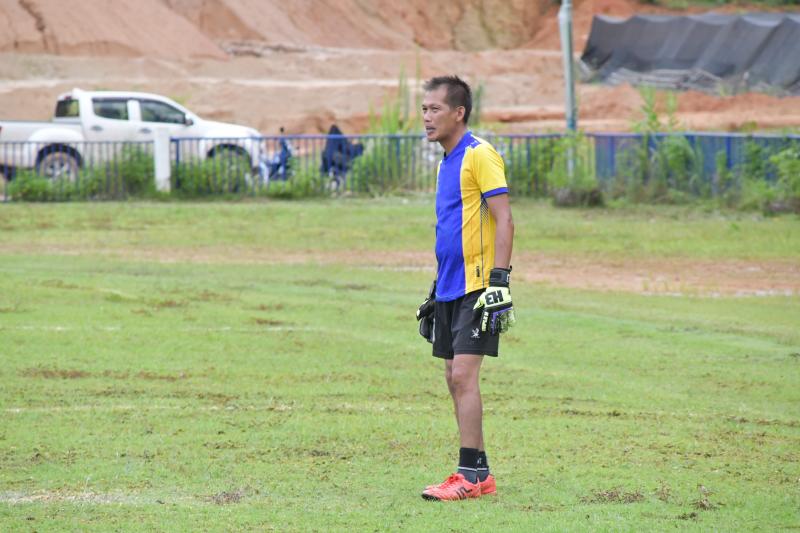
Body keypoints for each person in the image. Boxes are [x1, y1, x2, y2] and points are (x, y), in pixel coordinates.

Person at [416, 75, 516, 501]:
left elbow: (504, 218)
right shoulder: (445, 162)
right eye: (424, 109)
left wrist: (500, 281)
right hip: (449, 287)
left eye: (434, 109)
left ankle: (469, 477)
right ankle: (479, 473)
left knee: (463, 375)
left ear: (458, 113)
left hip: (478, 285)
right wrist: (436, 286)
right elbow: (452, 228)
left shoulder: (480, 154)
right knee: (451, 376)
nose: (426, 117)